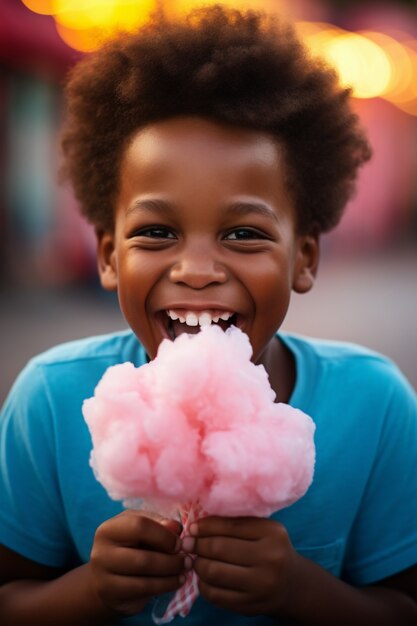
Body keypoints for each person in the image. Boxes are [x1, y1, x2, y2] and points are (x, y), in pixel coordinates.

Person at [1, 5, 416, 625]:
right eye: (158, 231)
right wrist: (88, 592)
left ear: (303, 257)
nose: (197, 269)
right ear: (109, 256)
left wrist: (304, 592)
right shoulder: (49, 401)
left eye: (244, 233)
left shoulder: (375, 404)